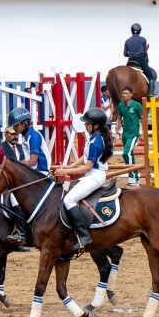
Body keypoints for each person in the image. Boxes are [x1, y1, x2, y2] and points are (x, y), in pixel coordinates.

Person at [54, 106, 112, 250]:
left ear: (96, 125)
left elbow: (87, 167)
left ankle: (84, 234)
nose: (85, 125)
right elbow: (84, 157)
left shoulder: (96, 142)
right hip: (92, 174)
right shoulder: (94, 138)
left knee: (69, 199)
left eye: (87, 123)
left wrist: (65, 172)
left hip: (95, 176)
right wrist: (69, 166)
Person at [116, 85, 143, 183]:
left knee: (126, 153)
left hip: (133, 133)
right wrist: (117, 127)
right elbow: (119, 117)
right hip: (125, 133)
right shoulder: (121, 105)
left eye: (126, 93)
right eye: (123, 93)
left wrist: (142, 133)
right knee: (129, 154)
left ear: (131, 95)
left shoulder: (137, 105)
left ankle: (133, 176)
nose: (124, 95)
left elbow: (143, 119)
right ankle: (135, 177)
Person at [123, 23, 157, 88]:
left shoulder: (127, 41)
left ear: (131, 31)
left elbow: (125, 54)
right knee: (151, 77)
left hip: (130, 61)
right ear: (139, 31)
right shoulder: (143, 39)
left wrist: (131, 54)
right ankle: (151, 92)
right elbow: (145, 53)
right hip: (140, 60)